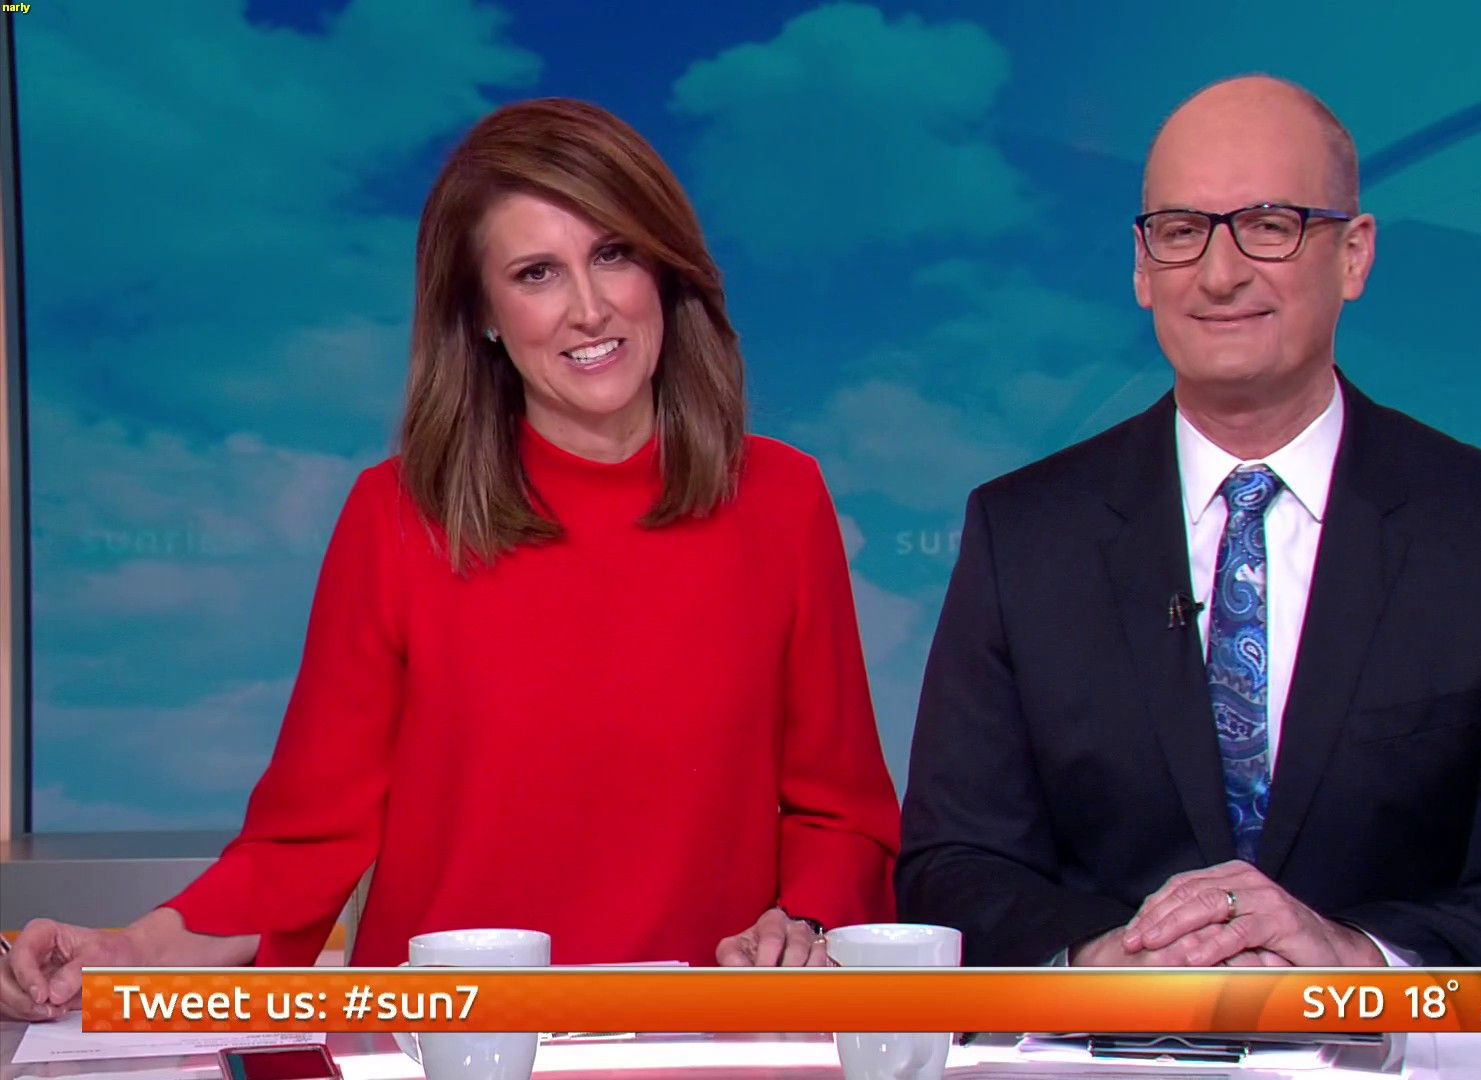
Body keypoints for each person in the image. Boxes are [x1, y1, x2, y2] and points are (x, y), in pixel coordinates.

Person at [1, 98, 901, 1021]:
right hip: (445, 1044)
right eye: (537, 273)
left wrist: (805, 922)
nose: (590, 307)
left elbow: (843, 814)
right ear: (482, 315)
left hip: (701, 1042)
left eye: (614, 254)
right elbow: (304, 844)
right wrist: (126, 952)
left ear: (665, 270)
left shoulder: (781, 499)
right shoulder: (395, 517)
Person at [896, 76, 1481, 968]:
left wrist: (1355, 957)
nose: (1220, 274)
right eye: (1182, 232)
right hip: (1108, 1039)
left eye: (1269, 225)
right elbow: (953, 865)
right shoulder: (1023, 534)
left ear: (1354, 255)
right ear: (1141, 268)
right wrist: (1103, 961)